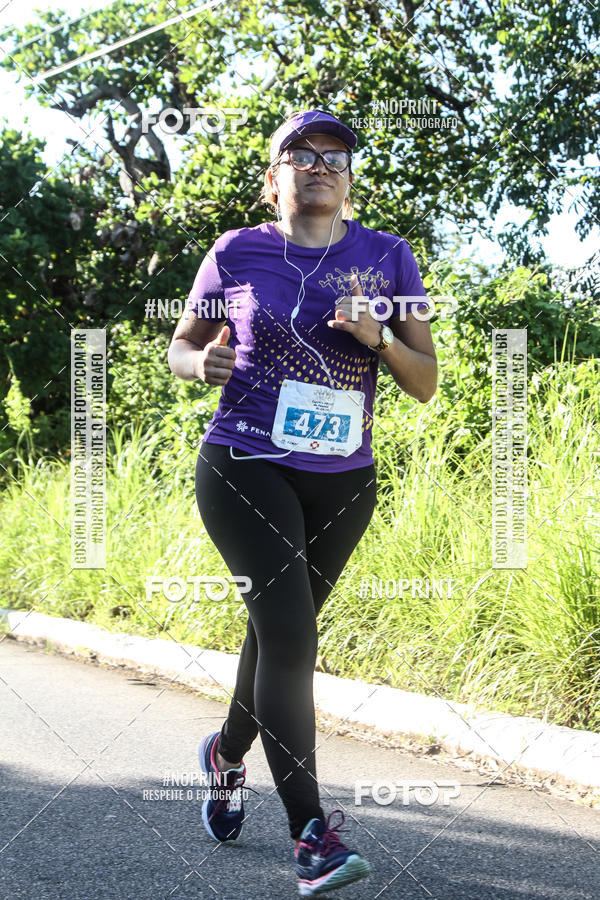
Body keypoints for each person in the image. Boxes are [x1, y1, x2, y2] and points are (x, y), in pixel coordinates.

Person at [168, 108, 437, 896]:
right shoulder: (237, 252)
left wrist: (380, 339)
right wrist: (197, 368)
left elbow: (424, 384)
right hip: (245, 463)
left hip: (344, 480)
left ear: (348, 181)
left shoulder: (388, 257)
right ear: (273, 176)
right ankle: (312, 837)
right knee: (290, 636)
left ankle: (224, 753)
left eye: (335, 157)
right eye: (301, 154)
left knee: (277, 634)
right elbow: (182, 343)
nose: (320, 165)